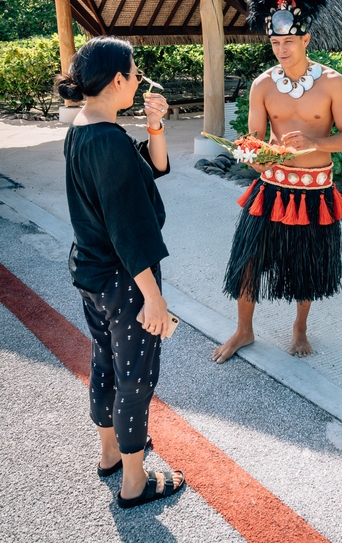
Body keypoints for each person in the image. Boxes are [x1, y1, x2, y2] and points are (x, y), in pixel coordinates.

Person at [58, 36, 185, 509]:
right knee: (135, 377)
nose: (137, 79)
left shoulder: (86, 128)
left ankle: (110, 453)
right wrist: (153, 295)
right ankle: (134, 482)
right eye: (134, 73)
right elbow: (129, 228)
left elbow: (150, 169)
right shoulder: (108, 142)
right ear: (117, 80)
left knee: (105, 361)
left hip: (91, 273)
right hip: (124, 279)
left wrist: (155, 127)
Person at [212, 0, 342, 365]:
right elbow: (255, 138)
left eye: (288, 41)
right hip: (271, 188)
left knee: (307, 267)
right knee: (247, 262)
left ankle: (300, 327)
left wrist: (314, 141)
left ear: (306, 38)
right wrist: (253, 156)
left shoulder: (333, 82)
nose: (281, 48)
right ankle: (244, 330)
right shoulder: (262, 85)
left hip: (314, 190)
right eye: (275, 41)